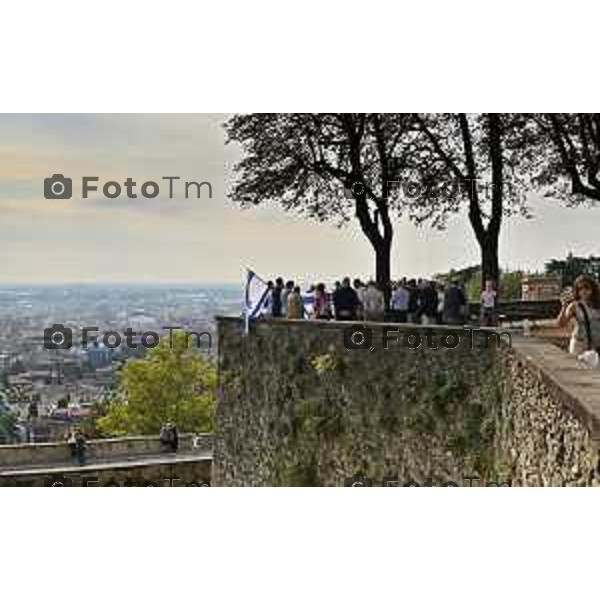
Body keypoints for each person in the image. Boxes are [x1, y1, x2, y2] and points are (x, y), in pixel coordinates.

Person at [557, 274, 600, 356]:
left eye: (586, 287)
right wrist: (564, 307)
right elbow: (560, 324)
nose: (583, 291)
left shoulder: (598, 305)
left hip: (597, 346)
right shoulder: (574, 306)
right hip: (580, 345)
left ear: (593, 289)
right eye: (580, 289)